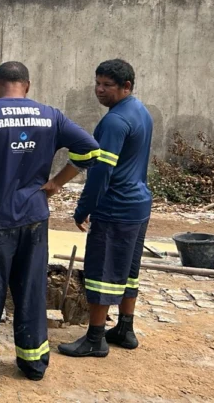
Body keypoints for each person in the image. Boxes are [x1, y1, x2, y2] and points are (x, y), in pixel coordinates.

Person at [0, 61, 100, 386]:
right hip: (34, 218)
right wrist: (56, 183)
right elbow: (90, 151)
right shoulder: (50, 115)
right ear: (27, 85)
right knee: (31, 290)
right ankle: (33, 363)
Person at [58, 58, 154, 358]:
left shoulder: (114, 122)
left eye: (107, 85)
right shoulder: (140, 111)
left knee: (101, 270)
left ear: (126, 87)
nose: (99, 90)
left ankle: (95, 338)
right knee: (128, 270)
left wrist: (84, 207)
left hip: (116, 206)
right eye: (97, 83)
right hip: (139, 204)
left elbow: (100, 172)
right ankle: (125, 329)